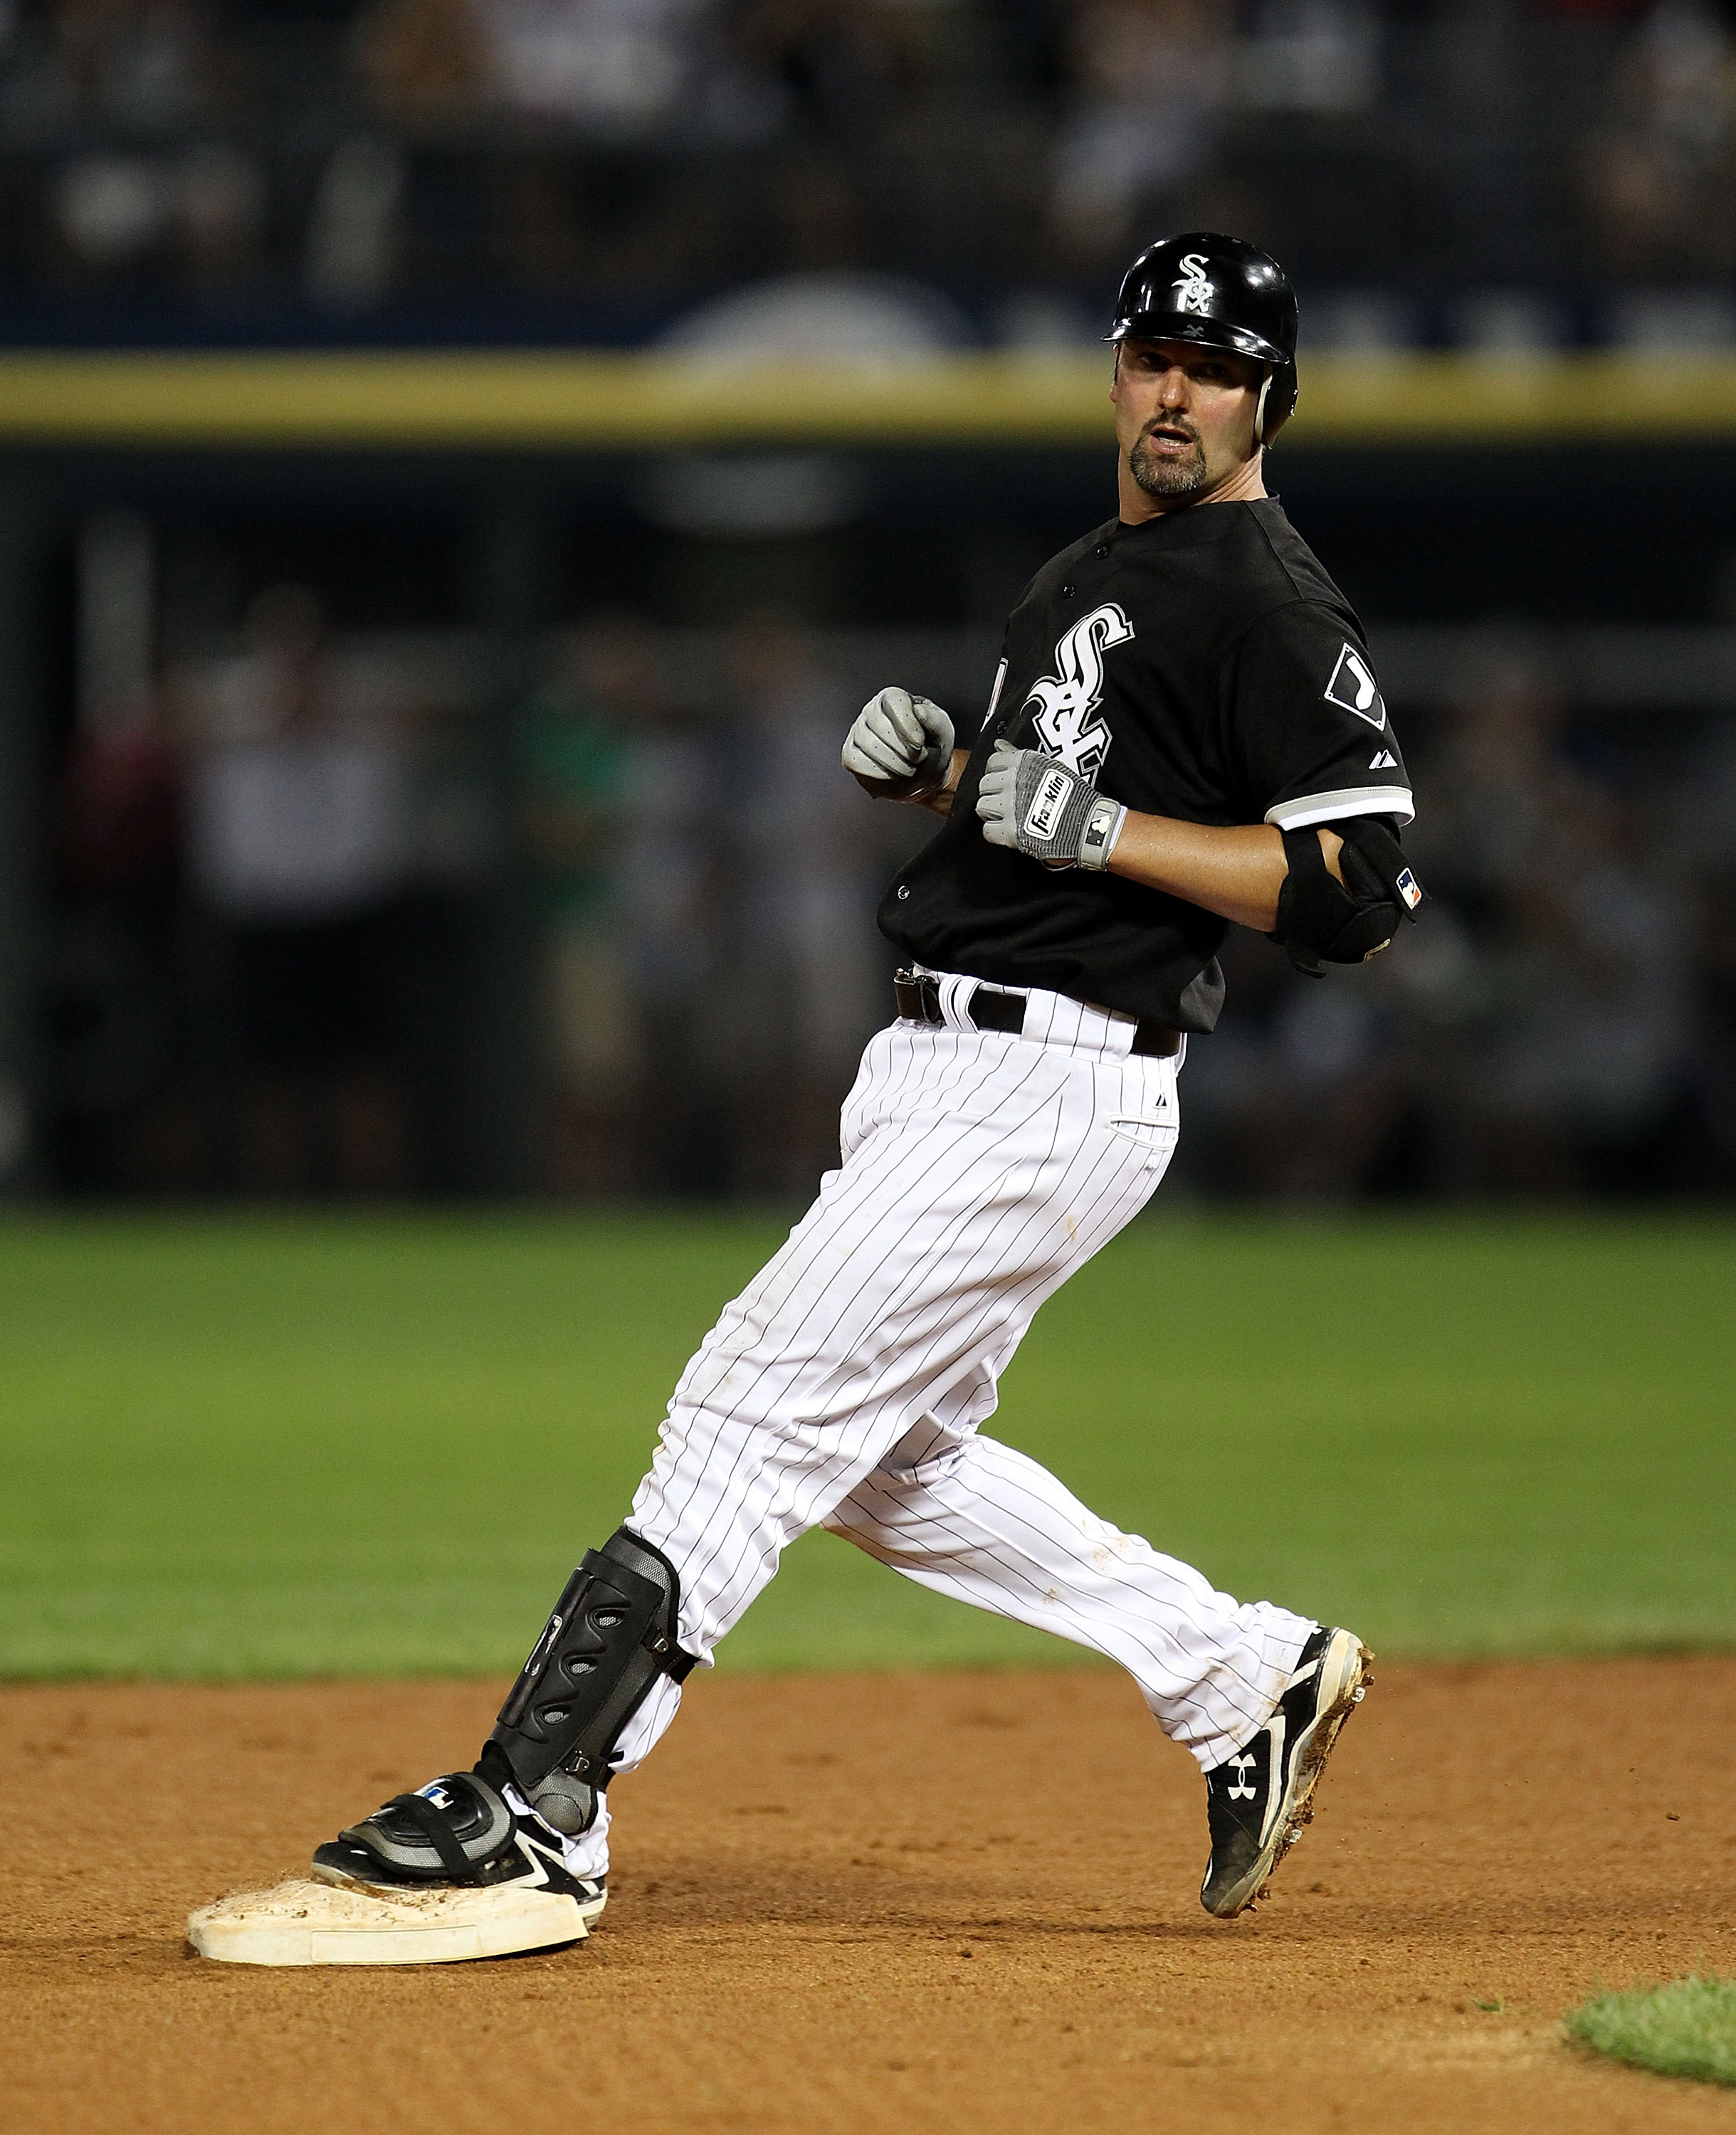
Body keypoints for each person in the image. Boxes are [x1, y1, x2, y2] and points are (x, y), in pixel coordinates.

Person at [189, 232, 1425, 1969]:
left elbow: (1359, 888)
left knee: (751, 1408)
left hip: (1049, 1077)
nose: (1174, 389)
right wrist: (953, 785)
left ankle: (539, 1807)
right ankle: (1240, 1674)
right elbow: (1040, 827)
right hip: (940, 1059)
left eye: (1215, 368)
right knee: (879, 1461)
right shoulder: (1089, 567)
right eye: (1153, 352)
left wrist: (1089, 830)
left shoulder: (1268, 601)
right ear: (1116, 366)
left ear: (1265, 398)